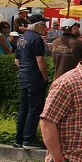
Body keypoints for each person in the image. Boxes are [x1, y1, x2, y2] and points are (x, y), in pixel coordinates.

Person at [13, 15, 49, 149]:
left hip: (23, 75)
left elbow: (16, 60)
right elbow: (40, 60)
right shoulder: (36, 38)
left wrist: (24, 69)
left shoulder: (21, 38)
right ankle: (28, 139)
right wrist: (45, 77)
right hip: (34, 76)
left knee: (24, 108)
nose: (45, 28)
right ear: (37, 25)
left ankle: (19, 139)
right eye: (43, 25)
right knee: (34, 108)